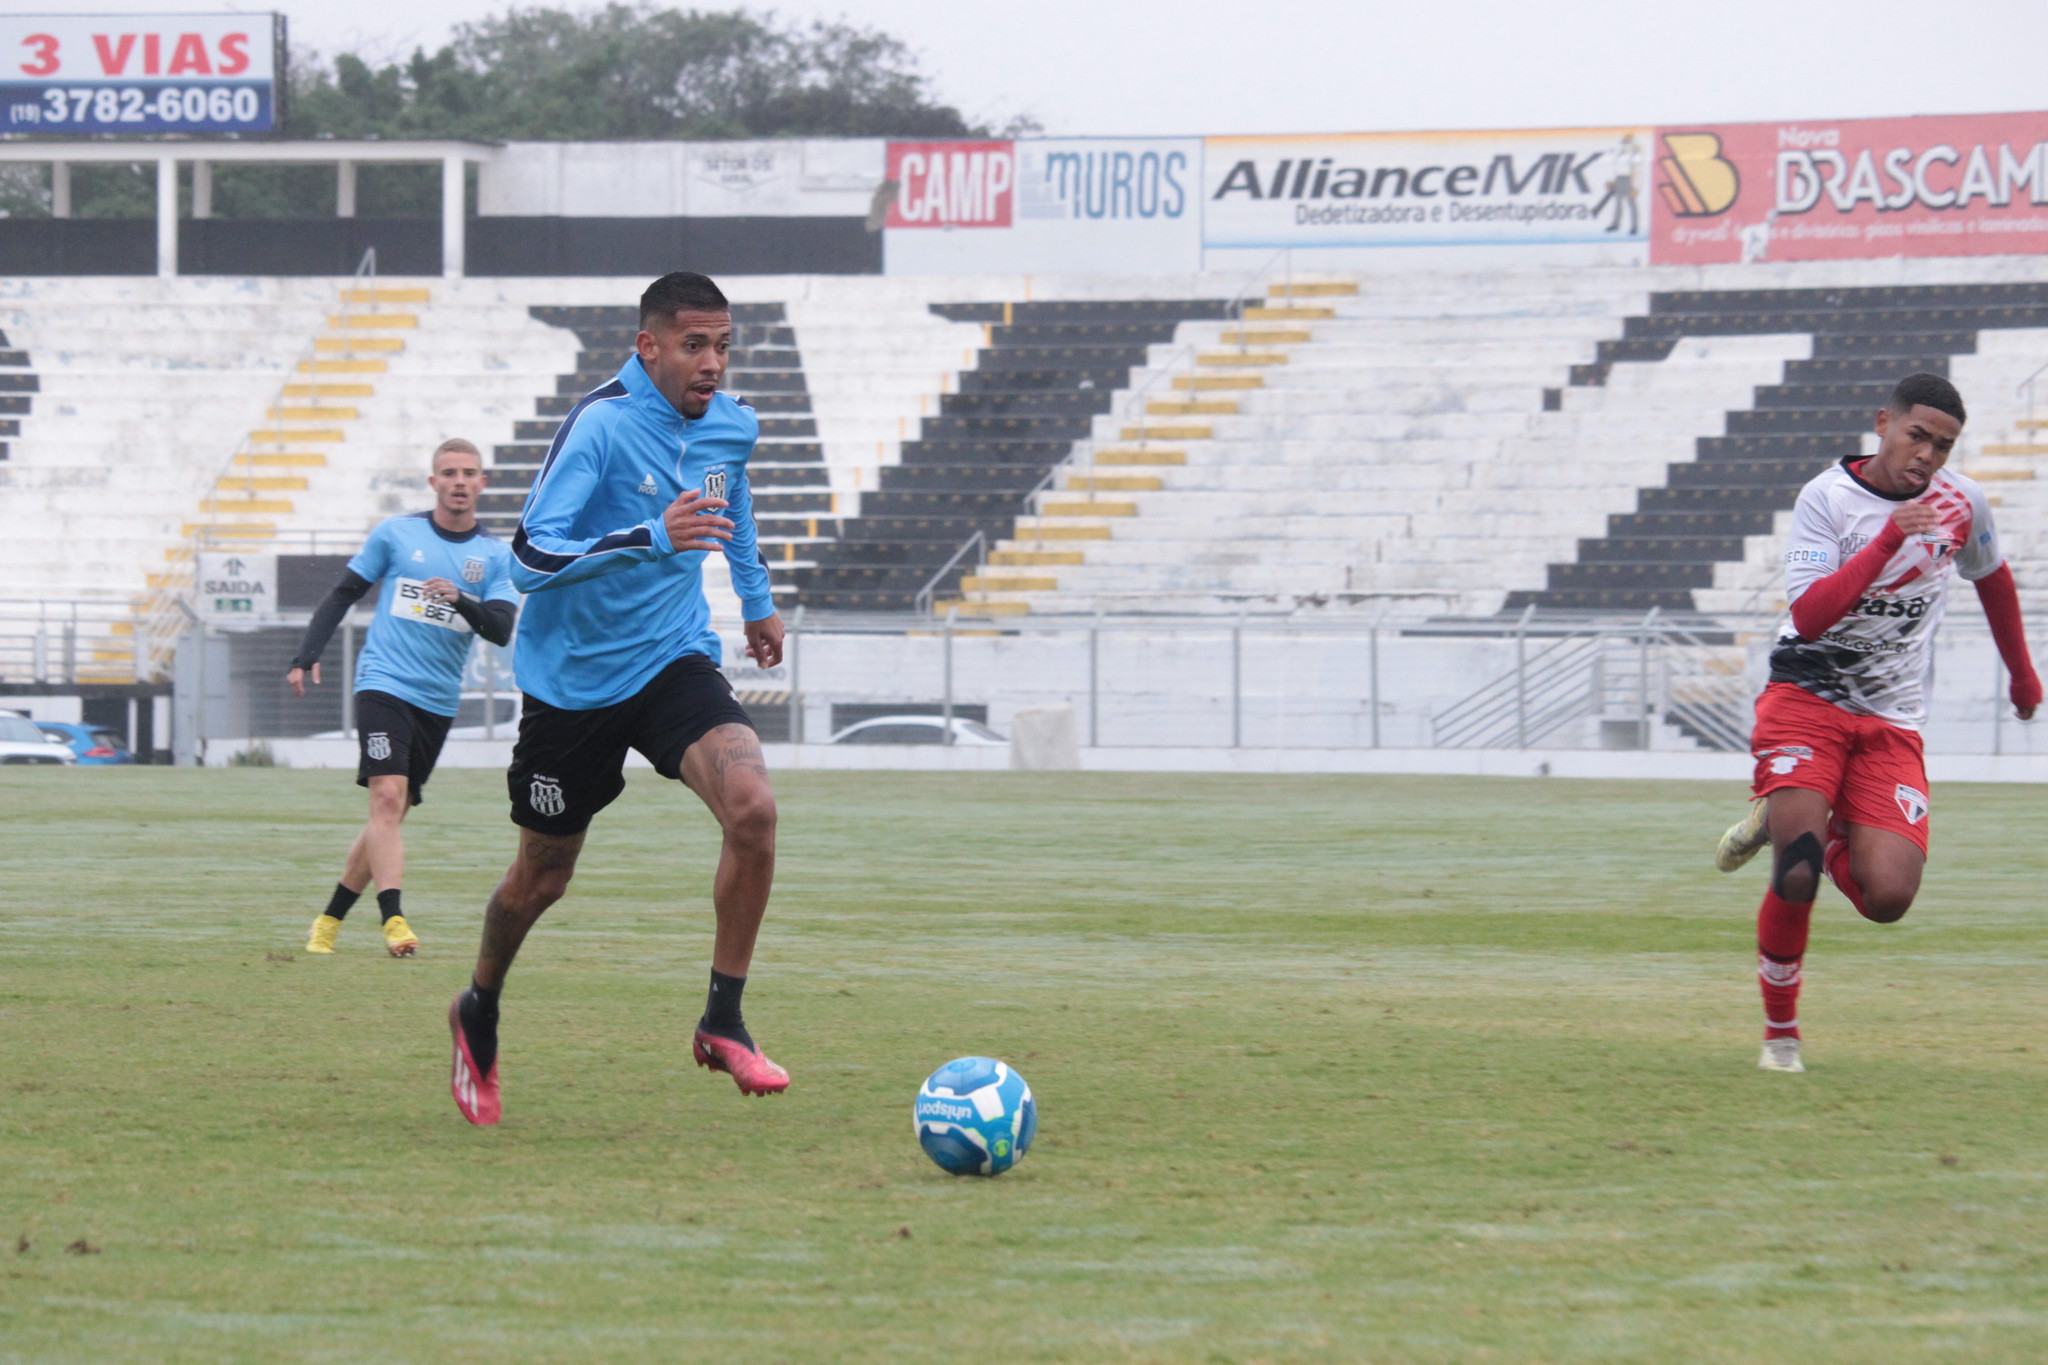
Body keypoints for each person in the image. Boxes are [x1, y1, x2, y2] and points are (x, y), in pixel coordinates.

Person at [446, 271, 786, 1126]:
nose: (712, 363)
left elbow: (732, 501)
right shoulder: (599, 425)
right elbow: (529, 556)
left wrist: (756, 598)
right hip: (571, 685)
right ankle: (478, 1006)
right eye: (694, 345)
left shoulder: (732, 425)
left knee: (753, 808)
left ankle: (723, 1018)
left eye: (723, 346)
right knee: (541, 876)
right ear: (649, 346)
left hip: (671, 658)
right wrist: (647, 536)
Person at [1714, 373, 2040, 1072]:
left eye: (1942, 445)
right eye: (1916, 434)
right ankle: (1782, 1038)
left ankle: (1797, 817)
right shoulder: (1825, 498)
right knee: (1797, 872)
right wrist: (1887, 541)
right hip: (1807, 693)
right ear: (1883, 423)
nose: (1926, 454)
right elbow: (1810, 614)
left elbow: (1993, 576)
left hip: (1891, 718)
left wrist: (2022, 672)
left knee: (1888, 897)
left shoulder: (1962, 503)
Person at [290, 439, 519, 958]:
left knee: (387, 819)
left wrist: (462, 598)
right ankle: (393, 920)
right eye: (449, 473)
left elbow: (502, 630)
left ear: (483, 484)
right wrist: (305, 654)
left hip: (437, 701)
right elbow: (343, 593)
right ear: (433, 482)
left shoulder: (494, 556)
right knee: (387, 798)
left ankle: (327, 922)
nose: (459, 481)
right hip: (383, 682)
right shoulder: (397, 535)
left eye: (469, 473)